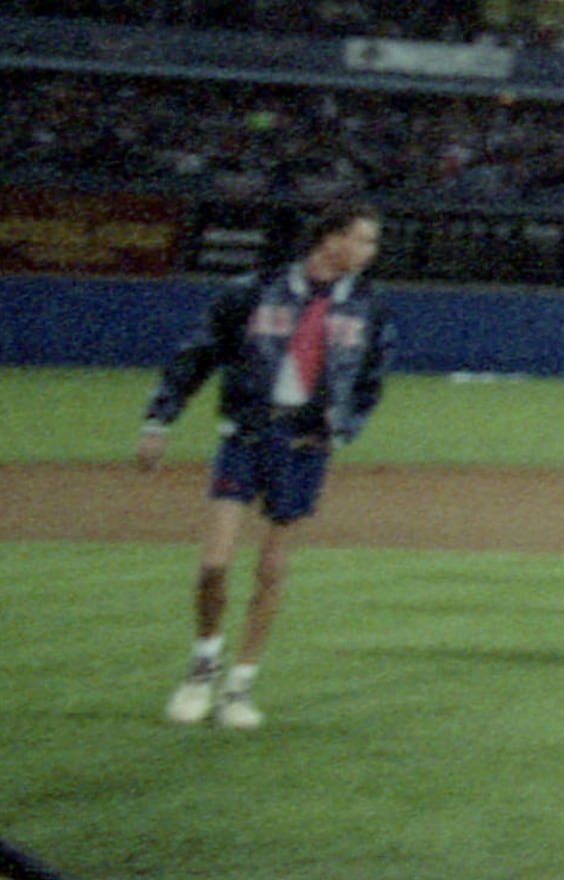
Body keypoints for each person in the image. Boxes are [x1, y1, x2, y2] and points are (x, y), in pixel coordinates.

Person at [138, 203, 392, 729]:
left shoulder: (368, 307)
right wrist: (160, 419)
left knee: (272, 568)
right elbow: (198, 353)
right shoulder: (254, 291)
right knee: (215, 562)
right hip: (248, 433)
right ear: (330, 238)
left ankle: (240, 687)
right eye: (363, 240)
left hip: (304, 444)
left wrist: (342, 428)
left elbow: (371, 379)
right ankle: (202, 667)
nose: (370, 252)